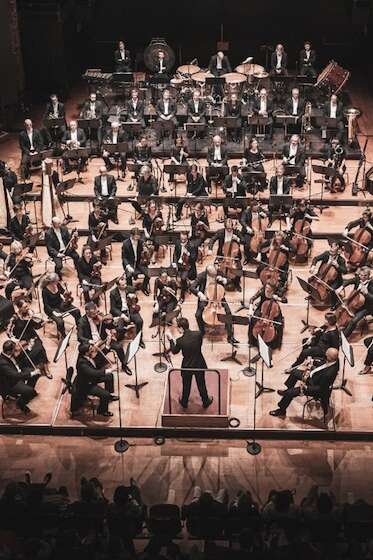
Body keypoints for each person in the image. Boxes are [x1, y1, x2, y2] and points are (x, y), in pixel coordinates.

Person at [269, 348, 339, 417]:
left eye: (326, 355)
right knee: (294, 372)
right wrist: (312, 362)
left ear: (329, 357)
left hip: (314, 387)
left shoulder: (329, 374)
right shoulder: (334, 359)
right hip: (314, 377)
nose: (325, 356)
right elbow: (323, 362)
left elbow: (320, 388)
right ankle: (287, 391)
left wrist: (306, 387)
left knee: (290, 393)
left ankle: (282, 410)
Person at [167, 317, 213, 409]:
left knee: (186, 385)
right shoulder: (198, 334)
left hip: (187, 365)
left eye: (177, 328)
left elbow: (174, 351)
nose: (177, 330)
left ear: (181, 328)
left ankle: (184, 402)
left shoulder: (180, 341)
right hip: (199, 363)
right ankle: (205, 401)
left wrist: (171, 340)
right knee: (201, 384)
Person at [190, 264, 238, 346]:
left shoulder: (218, 273)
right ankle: (202, 331)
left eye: (215, 274)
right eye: (212, 275)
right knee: (198, 315)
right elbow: (192, 287)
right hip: (206, 298)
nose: (214, 276)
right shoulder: (201, 276)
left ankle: (230, 336)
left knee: (228, 313)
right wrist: (200, 294)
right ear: (208, 273)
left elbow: (231, 281)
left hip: (219, 297)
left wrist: (224, 280)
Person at [77, 302, 130, 375]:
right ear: (87, 312)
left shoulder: (99, 317)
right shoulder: (81, 322)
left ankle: (124, 365)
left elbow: (110, 326)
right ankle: (97, 370)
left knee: (119, 347)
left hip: (104, 340)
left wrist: (114, 323)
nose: (96, 314)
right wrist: (90, 341)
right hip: (93, 344)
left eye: (96, 311)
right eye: (93, 313)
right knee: (89, 355)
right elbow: (79, 337)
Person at [74, 343, 118, 417]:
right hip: (86, 384)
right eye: (91, 350)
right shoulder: (82, 364)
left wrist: (107, 346)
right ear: (86, 353)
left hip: (91, 378)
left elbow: (99, 356)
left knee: (109, 377)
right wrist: (110, 370)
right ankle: (102, 411)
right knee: (105, 394)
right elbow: (94, 373)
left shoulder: (88, 355)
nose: (94, 350)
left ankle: (109, 396)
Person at [0, 339, 42, 414]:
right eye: (14, 349)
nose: (16, 350)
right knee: (31, 391)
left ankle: (26, 391)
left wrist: (29, 348)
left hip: (16, 374)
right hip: (10, 384)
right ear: (9, 351)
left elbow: (19, 358)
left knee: (36, 374)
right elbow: (15, 376)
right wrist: (31, 374)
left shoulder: (7, 354)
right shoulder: (3, 363)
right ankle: (20, 403)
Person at [309, 240, 347, 310]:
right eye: (330, 249)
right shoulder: (327, 254)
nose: (331, 252)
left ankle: (334, 304)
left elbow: (345, 271)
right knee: (310, 280)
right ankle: (312, 294)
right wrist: (313, 266)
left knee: (333, 290)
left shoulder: (341, 260)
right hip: (321, 275)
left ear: (338, 251)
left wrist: (337, 266)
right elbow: (316, 258)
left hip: (335, 280)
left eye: (333, 251)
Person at [41, 272, 81, 337]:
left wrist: (67, 294)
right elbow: (46, 305)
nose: (58, 282)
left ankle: (80, 328)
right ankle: (63, 336)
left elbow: (63, 293)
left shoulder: (57, 285)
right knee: (60, 322)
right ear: (52, 282)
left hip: (60, 304)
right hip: (51, 308)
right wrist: (54, 313)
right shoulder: (45, 291)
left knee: (77, 311)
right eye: (57, 281)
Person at [109, 275, 145, 348]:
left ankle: (139, 340)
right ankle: (120, 337)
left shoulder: (130, 289)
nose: (125, 286)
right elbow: (113, 308)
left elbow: (136, 301)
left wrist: (134, 297)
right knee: (119, 328)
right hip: (120, 312)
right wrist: (122, 315)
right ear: (118, 285)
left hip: (131, 310)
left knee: (139, 321)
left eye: (125, 284)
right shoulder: (113, 293)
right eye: (122, 285)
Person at [339, 266, 373, 338]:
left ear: (369, 276)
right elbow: (348, 281)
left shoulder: (371, 284)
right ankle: (339, 326)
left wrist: (367, 294)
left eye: (365, 276)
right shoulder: (358, 279)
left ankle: (343, 337)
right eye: (361, 275)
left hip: (366, 307)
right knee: (341, 308)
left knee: (353, 321)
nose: (362, 277)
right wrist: (341, 287)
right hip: (354, 303)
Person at [121, 228, 150, 295]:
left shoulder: (141, 242)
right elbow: (124, 257)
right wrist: (128, 266)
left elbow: (146, 253)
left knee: (148, 275)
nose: (138, 237)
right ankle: (130, 290)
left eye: (139, 236)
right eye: (136, 236)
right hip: (130, 263)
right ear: (132, 235)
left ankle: (144, 287)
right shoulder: (125, 243)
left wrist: (146, 250)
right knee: (128, 276)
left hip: (139, 263)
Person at [173, 230, 197, 303]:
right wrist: (174, 263)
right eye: (181, 239)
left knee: (183, 278)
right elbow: (175, 254)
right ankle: (173, 293)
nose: (182, 240)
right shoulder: (177, 243)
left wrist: (189, 255)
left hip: (188, 266)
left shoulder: (192, 246)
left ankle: (182, 296)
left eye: (184, 239)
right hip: (179, 264)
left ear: (187, 237)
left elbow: (194, 259)